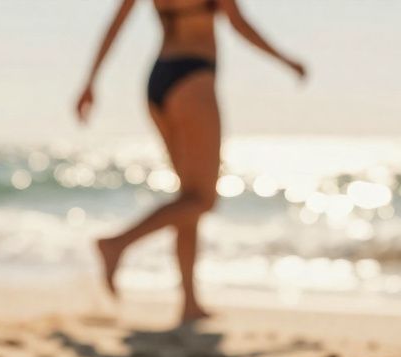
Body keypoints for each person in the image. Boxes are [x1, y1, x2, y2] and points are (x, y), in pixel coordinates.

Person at [75, 0, 306, 324]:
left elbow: (116, 24)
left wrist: (90, 81)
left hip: (159, 80)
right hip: (193, 81)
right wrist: (284, 59)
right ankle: (117, 244)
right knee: (202, 199)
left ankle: (189, 303)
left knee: (188, 197)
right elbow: (239, 24)